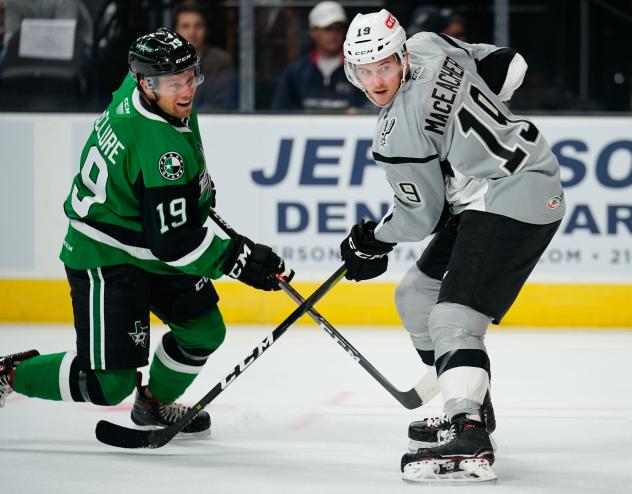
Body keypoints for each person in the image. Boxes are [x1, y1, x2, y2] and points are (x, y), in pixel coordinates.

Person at [0, 28, 289, 437]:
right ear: (146, 85)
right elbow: (174, 243)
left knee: (203, 330)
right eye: (174, 83)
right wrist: (239, 259)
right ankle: (10, 375)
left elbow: (166, 229)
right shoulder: (159, 146)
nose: (186, 89)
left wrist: (196, 196)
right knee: (108, 383)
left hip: (143, 235)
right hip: (106, 254)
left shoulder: (140, 90)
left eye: (190, 76)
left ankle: (152, 403)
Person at [339, 10, 564, 481]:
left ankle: (468, 430)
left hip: (510, 194)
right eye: (366, 70)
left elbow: (419, 217)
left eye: (384, 65)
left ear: (400, 55)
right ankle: (470, 398)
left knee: (451, 317)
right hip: (495, 188)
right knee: (416, 294)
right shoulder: (429, 44)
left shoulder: (395, 130)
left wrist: (369, 242)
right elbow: (508, 63)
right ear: (351, 69)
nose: (377, 80)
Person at [271, 0, 365, 112]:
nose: (333, 34)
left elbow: (372, 106)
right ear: (313, 32)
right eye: (328, 29)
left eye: (338, 29)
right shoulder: (296, 71)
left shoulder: (359, 69)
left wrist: (360, 112)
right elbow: (279, 111)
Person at [173, 0, 237, 111]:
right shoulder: (165, 62)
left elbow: (218, 106)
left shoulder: (220, 62)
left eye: (198, 26)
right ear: (175, 31)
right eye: (185, 26)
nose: (192, 32)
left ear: (206, 30)